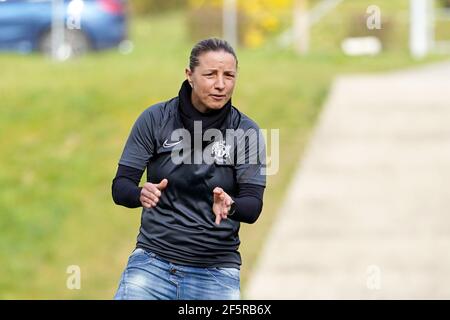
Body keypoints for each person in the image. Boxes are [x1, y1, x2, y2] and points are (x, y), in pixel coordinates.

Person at [112, 38, 266, 300]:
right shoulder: (155, 119)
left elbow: (253, 205)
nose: (220, 84)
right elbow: (120, 186)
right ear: (190, 75)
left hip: (215, 273)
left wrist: (231, 205)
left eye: (228, 75)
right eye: (210, 74)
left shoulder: (247, 131)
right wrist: (140, 194)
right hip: (152, 265)